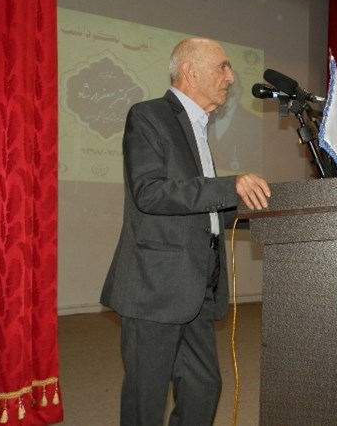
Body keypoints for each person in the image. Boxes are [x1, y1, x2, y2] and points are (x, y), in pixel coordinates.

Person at [100, 37, 271, 426]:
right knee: (147, 398)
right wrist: (230, 186)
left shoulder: (198, 126)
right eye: (223, 67)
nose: (231, 77)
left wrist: (262, 209)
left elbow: (198, 210)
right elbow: (150, 192)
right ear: (191, 72)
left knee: (203, 387)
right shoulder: (149, 116)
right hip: (156, 287)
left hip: (197, 285)